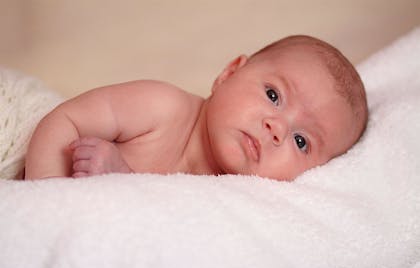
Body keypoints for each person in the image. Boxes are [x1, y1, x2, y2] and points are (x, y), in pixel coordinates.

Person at [24, 35, 368, 181]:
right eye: (274, 96)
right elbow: (65, 120)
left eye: (301, 141)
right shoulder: (162, 108)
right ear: (229, 73)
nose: (278, 128)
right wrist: (51, 198)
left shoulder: (236, 210)